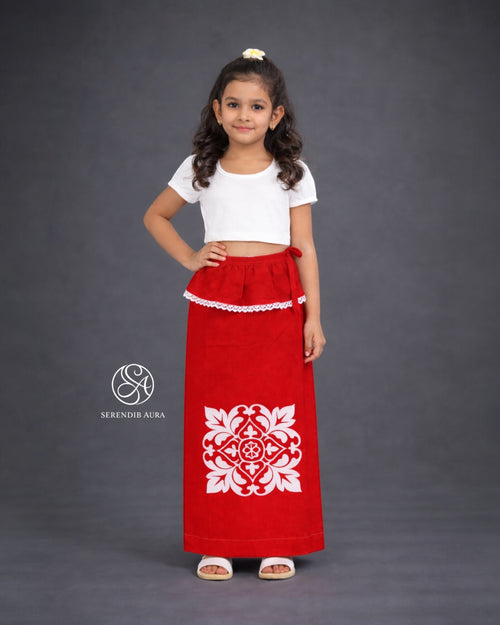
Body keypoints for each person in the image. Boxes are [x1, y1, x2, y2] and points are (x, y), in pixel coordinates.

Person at [143, 48, 326, 581]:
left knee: (281, 415)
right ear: (217, 110)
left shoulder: (292, 172)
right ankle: (216, 543)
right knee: (215, 413)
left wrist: (313, 318)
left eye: (257, 106)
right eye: (234, 104)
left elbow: (305, 247)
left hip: (278, 300)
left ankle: (277, 541)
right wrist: (190, 257)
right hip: (219, 300)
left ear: (276, 115)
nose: (244, 115)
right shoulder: (200, 168)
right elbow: (155, 216)